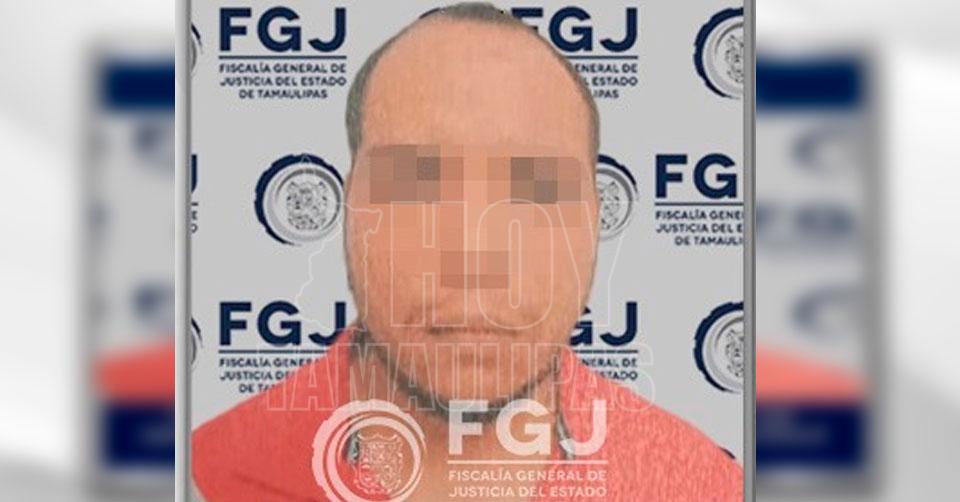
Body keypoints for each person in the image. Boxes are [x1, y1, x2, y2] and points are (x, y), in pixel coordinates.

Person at [192, 3, 743, 500]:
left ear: (595, 222)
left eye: (534, 191)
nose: (475, 258)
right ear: (350, 208)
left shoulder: (699, 487)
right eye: (414, 186)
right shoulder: (207, 475)